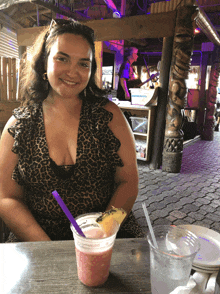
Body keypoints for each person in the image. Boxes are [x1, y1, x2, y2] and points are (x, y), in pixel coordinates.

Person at [0, 19, 143, 242]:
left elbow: (128, 183)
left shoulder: (108, 116)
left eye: (83, 64)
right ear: (44, 62)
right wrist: (47, 248)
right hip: (37, 238)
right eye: (62, 58)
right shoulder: (19, 126)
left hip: (106, 234)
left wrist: (103, 230)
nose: (73, 72)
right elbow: (6, 197)